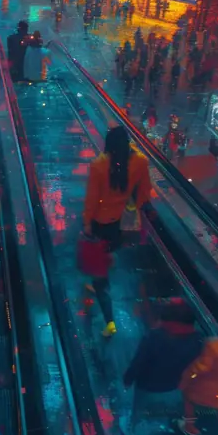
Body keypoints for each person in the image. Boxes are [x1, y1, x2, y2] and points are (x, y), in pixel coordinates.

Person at [83, 126, 151, 336]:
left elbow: (92, 199)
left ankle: (109, 320)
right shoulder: (141, 161)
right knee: (109, 249)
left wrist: (86, 223)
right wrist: (132, 206)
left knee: (96, 265)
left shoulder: (99, 165)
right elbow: (145, 192)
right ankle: (105, 268)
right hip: (122, 219)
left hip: (101, 220)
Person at [122, 300, 203, 435]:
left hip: (148, 385)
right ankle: (165, 425)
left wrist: (128, 379)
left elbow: (139, 361)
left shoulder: (153, 337)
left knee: (139, 408)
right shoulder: (197, 339)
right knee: (167, 407)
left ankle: (134, 429)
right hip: (175, 385)